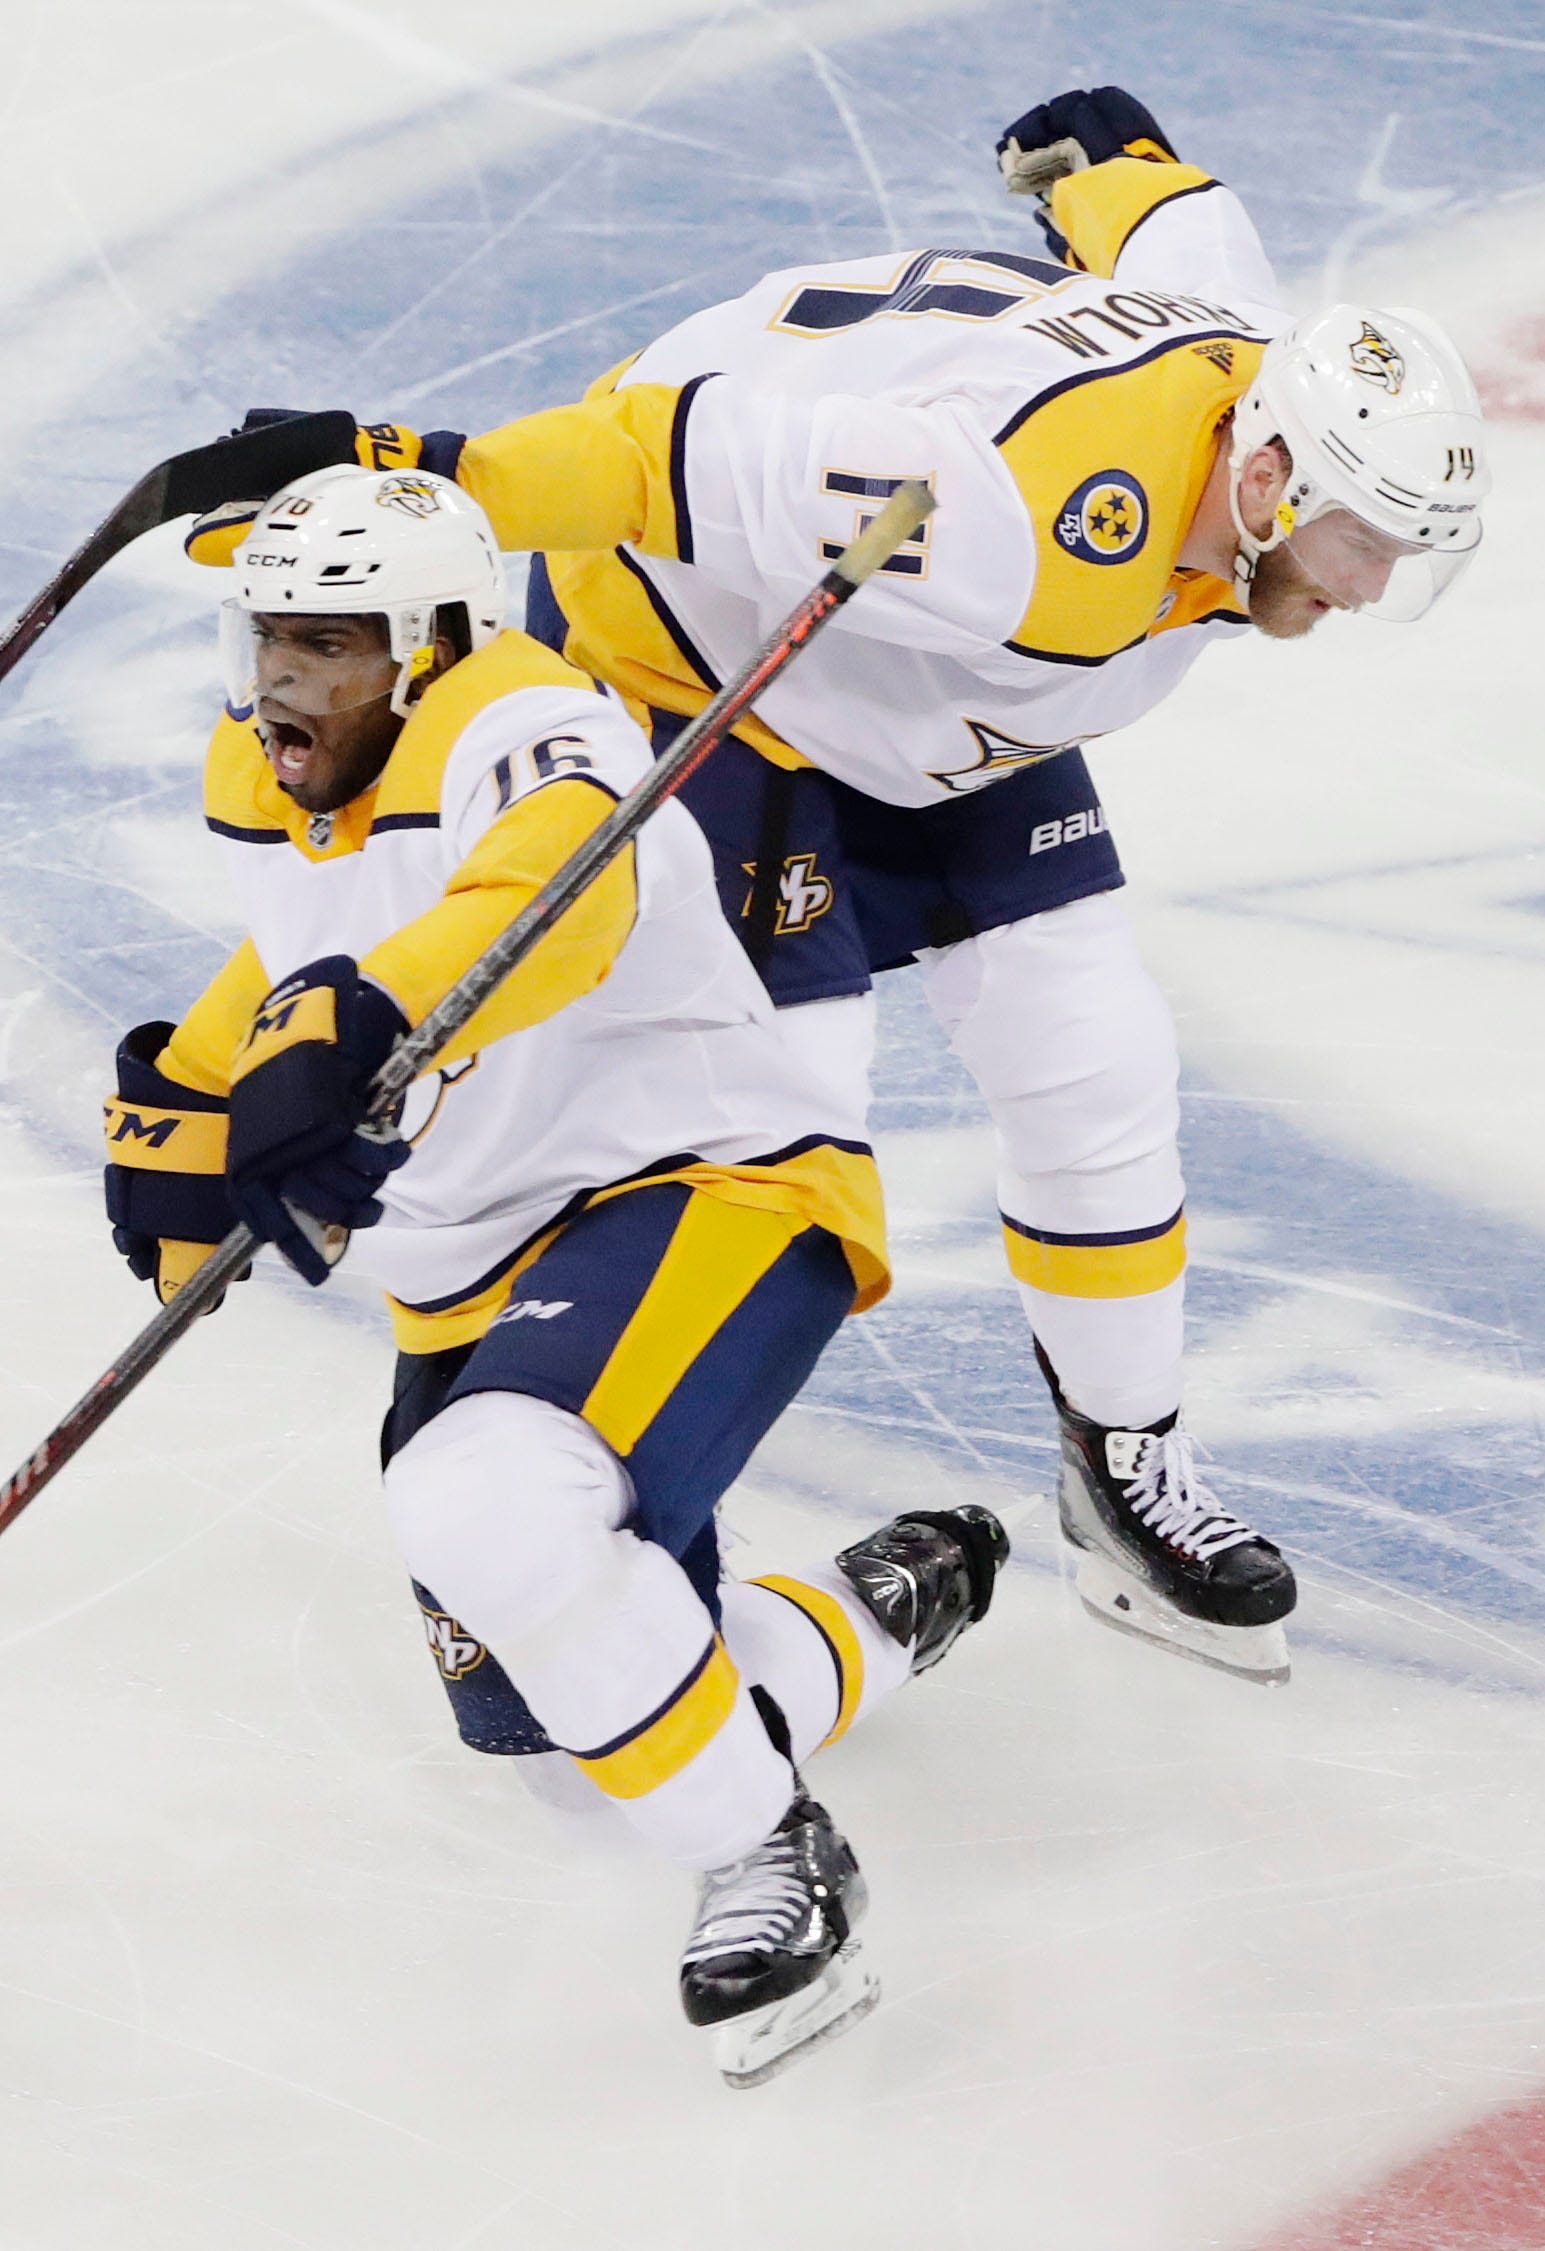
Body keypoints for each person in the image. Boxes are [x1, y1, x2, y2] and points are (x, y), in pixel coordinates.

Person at [189, 85, 1489, 1685]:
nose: (1368, 590)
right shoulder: (1016, 520)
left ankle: (1121, 1463)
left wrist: (1108, 156)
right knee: (765, 1119)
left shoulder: (1254, 366)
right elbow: (661, 458)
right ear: (1272, 468)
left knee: (1094, 1063)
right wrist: (407, 470)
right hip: (703, 649)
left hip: (944, 700)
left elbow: (1159, 212)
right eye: (1364, 542)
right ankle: (584, 1532)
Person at [105, 462, 1007, 2087]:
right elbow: (305, 926)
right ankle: (866, 1616)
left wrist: (362, 1024)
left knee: (491, 1507)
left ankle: (778, 1857)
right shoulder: (259, 763)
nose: (285, 678)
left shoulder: (532, 721)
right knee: (568, 1748)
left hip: (696, 1183)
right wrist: (190, 1084)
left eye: (332, 639)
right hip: (467, 1262)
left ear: (437, 638)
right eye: (268, 638)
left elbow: (551, 897)